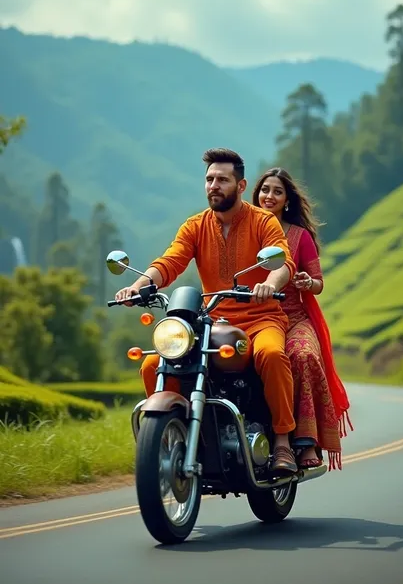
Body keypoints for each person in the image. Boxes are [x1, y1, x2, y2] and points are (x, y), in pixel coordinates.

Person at [115, 148, 300, 475]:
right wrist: (140, 284)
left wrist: (270, 283)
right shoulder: (195, 226)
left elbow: (283, 262)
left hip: (261, 317)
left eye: (223, 180)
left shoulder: (263, 221)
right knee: (152, 364)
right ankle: (178, 435)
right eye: (209, 179)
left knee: (271, 355)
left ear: (241, 186)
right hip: (211, 321)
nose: (214, 185)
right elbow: (170, 261)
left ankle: (283, 443)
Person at [252, 167, 353, 471]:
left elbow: (319, 282)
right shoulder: (245, 230)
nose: (269, 196)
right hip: (252, 317)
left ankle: (305, 441)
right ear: (255, 194)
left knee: (304, 355)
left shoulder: (300, 236)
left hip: (294, 318)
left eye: (277, 191)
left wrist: (309, 283)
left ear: (287, 201)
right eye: (265, 190)